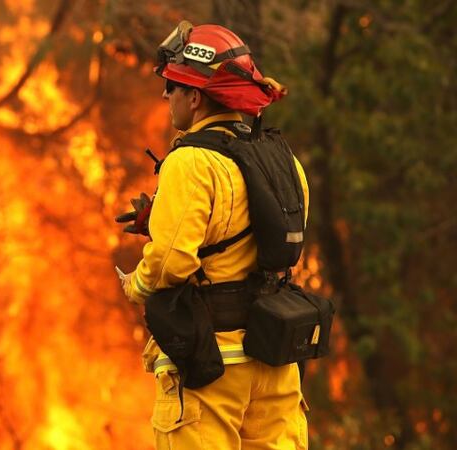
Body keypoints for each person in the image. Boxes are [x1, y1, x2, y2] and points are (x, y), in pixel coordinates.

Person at [118, 21, 311, 449]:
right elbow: (268, 235)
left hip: (214, 368)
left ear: (195, 97)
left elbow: (170, 263)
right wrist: (164, 218)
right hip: (275, 361)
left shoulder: (191, 162)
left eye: (173, 86)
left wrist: (136, 285)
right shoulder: (283, 160)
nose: (166, 95)